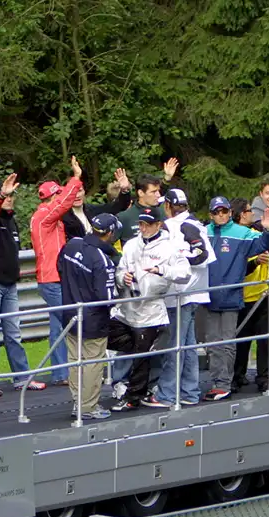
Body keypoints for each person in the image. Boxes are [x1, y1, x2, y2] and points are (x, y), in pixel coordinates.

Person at [109, 209, 190, 410]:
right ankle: (137, 379)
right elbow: (119, 271)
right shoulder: (130, 245)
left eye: (148, 224)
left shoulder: (169, 248)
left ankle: (133, 397)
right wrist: (122, 278)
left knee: (141, 356)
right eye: (142, 224)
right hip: (126, 308)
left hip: (151, 311)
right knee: (107, 336)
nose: (144, 228)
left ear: (158, 225)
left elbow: (185, 273)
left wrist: (161, 270)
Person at [0, 173, 45, 396]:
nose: (9, 198)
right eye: (6, 195)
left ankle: (22, 378)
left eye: (11, 195)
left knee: (14, 333)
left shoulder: (12, 221)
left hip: (10, 285)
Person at [205, 197, 269, 401]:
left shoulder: (242, 233)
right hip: (209, 298)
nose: (221, 215)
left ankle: (224, 384)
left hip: (231, 296)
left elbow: (265, 244)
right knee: (211, 343)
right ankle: (216, 380)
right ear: (211, 214)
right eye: (217, 212)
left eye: (224, 211)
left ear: (230, 213)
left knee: (227, 342)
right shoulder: (204, 232)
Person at [153, 189, 216, 407]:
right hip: (194, 293)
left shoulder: (176, 226)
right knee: (187, 346)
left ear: (169, 206)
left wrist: (179, 262)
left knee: (175, 346)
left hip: (180, 293)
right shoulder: (196, 223)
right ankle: (190, 391)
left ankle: (166, 394)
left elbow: (202, 256)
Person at [58, 213, 122, 419]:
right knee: (93, 363)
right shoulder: (102, 260)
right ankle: (88, 407)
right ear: (110, 233)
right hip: (93, 320)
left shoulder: (72, 245)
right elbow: (107, 297)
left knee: (75, 360)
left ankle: (78, 403)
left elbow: (60, 268)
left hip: (69, 313)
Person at [31, 155, 84, 386]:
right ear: (51, 197)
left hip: (53, 277)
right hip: (51, 278)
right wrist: (76, 178)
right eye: (58, 193)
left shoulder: (46, 217)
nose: (62, 197)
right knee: (66, 324)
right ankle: (64, 372)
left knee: (58, 324)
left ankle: (62, 372)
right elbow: (64, 203)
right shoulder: (45, 215)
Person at [229, 198, 269, 393]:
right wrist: (255, 262)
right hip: (243, 296)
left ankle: (264, 378)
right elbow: (235, 270)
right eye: (249, 211)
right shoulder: (233, 238)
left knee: (266, 339)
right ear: (242, 214)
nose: (252, 214)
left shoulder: (257, 234)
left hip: (264, 294)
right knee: (241, 341)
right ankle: (237, 376)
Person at [113, 158, 179, 243]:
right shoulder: (125, 217)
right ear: (140, 193)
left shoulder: (165, 213)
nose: (158, 195)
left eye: (158, 191)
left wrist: (167, 178)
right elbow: (108, 246)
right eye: (153, 192)